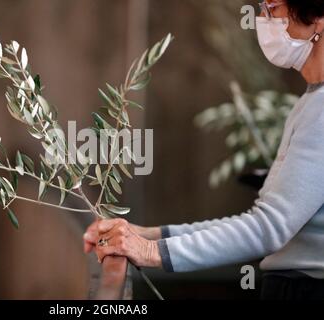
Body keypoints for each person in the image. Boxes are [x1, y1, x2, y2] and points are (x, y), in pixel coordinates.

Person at [83, 0, 324, 300]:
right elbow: (264, 218)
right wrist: (147, 235)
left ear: (317, 18)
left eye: (272, 8)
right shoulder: (311, 100)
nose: (262, 20)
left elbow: (269, 228)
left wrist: (150, 251)